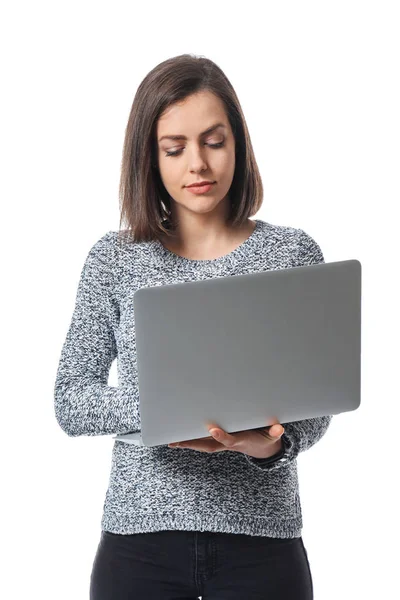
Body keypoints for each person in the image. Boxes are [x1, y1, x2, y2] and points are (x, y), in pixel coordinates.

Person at [54, 53, 332, 600]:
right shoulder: (114, 259)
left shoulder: (292, 254)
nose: (197, 165)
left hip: (263, 540)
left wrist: (267, 446)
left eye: (214, 141)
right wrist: (166, 405)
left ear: (239, 145)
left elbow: (317, 407)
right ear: (150, 158)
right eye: (175, 149)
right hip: (140, 543)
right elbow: (70, 399)